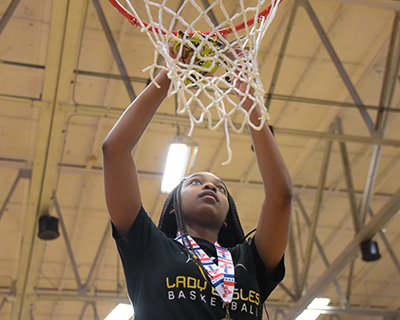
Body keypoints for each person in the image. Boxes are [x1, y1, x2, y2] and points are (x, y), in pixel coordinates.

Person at [102, 47, 292, 319]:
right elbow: (114, 150)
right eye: (195, 182)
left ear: (227, 219)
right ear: (172, 208)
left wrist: (250, 103)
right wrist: (168, 75)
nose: (211, 187)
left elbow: (281, 196)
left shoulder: (250, 260)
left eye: (221, 188)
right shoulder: (148, 247)